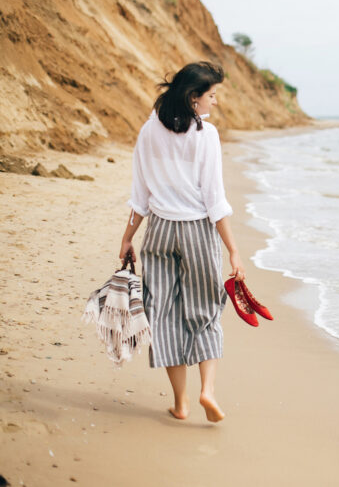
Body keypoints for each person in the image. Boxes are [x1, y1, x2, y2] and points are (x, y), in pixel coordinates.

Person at [119, 61, 245, 423]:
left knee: (164, 315)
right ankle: (207, 390)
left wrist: (127, 238)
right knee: (204, 312)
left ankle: (182, 403)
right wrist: (233, 249)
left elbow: (139, 195)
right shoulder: (206, 135)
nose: (215, 102)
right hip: (197, 232)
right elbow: (214, 199)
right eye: (212, 95)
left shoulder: (148, 131)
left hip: (158, 230)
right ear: (193, 99)